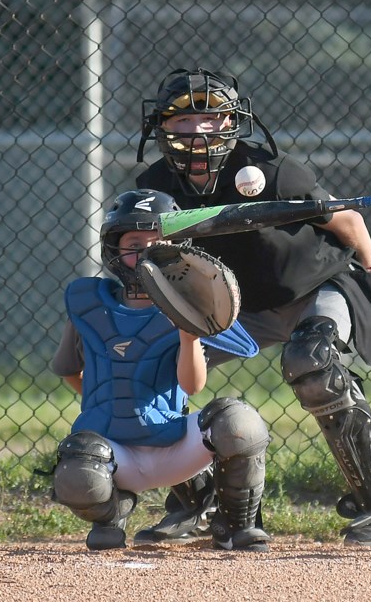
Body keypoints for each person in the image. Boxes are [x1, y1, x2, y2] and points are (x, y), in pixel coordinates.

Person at [131, 68, 371, 549]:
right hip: (236, 307)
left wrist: (370, 270)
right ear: (161, 127)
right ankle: (198, 502)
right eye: (182, 120)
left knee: (312, 362)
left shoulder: (271, 169)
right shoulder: (157, 184)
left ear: (232, 122)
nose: (196, 130)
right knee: (148, 367)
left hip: (313, 286)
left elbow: (345, 217)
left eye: (210, 118)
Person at [46, 188, 272, 552]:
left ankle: (235, 523)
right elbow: (70, 370)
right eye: (134, 242)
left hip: (174, 448)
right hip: (116, 454)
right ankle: (112, 511)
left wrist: (189, 337)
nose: (145, 252)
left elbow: (193, 385)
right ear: (113, 248)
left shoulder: (189, 307)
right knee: (76, 467)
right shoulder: (89, 303)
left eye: (158, 243)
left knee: (239, 423)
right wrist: (106, 405)